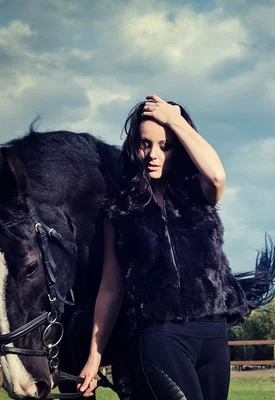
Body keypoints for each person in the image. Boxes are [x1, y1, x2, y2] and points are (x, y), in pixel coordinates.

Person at [77, 94, 252, 399]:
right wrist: (95, 357)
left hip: (212, 333)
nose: (153, 155)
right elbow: (110, 287)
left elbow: (217, 174)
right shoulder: (120, 209)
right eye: (145, 144)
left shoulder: (198, 193)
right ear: (134, 146)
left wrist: (174, 120)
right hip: (158, 334)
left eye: (165, 146)